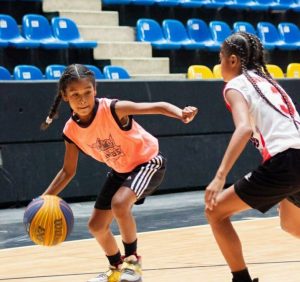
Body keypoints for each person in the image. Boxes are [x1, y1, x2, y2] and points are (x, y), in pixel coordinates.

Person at [40, 64, 198, 282]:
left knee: (120, 204)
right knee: (96, 226)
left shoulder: (113, 109)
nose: (83, 99)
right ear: (65, 96)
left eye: (87, 92)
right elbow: (68, 171)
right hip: (120, 170)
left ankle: (132, 262)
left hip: (148, 163)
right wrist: (44, 198)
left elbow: (157, 106)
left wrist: (180, 113)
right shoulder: (70, 130)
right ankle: (116, 268)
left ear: (95, 90)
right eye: (75, 95)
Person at [204, 32, 300, 282]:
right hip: (294, 158)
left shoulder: (236, 85)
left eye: (220, 58)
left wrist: (219, 175)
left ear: (233, 60)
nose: (219, 65)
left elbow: (244, 128)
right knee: (291, 224)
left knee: (215, 212)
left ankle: (241, 280)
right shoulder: (270, 82)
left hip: (286, 162)